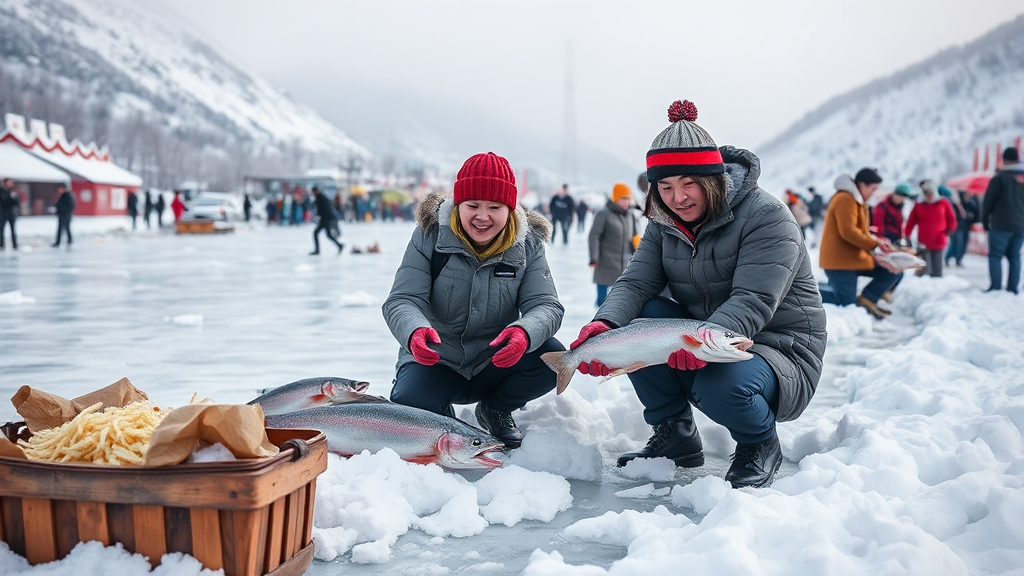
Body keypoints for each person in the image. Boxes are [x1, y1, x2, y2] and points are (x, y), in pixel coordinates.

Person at [570, 100, 826, 489]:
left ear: (714, 179)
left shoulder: (768, 217)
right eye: (666, 187)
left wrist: (699, 343)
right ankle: (675, 434)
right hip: (703, 336)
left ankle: (760, 443)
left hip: (778, 347)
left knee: (718, 383)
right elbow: (636, 283)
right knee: (644, 320)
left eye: (689, 183)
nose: (678, 198)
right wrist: (604, 326)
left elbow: (753, 300)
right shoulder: (663, 221)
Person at [382, 151, 565, 449]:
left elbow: (546, 305)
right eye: (472, 205)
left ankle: (495, 408)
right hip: (438, 359)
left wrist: (523, 333)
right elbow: (402, 299)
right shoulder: (430, 237)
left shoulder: (528, 244)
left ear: (509, 208)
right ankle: (440, 416)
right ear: (458, 205)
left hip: (493, 362)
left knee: (554, 360)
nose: (483, 216)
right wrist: (414, 331)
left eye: (495, 206)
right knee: (409, 406)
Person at [818, 168, 901, 319]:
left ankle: (867, 300)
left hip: (854, 258)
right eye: (873, 189)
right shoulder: (845, 198)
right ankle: (803, 293)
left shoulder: (857, 201)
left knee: (892, 269)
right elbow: (848, 231)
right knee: (846, 304)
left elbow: (862, 232)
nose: (874, 193)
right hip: (840, 262)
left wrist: (878, 242)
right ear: (862, 185)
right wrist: (874, 245)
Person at [981, 146, 1024, 294]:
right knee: (1015, 256)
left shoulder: (999, 178)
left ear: (1004, 160)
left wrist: (985, 220)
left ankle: (995, 287)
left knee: (995, 256)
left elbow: (988, 202)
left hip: (1000, 224)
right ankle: (1012, 289)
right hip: (1020, 226)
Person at [588, 182, 639, 306]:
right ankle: (598, 317)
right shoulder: (603, 214)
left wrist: (638, 254)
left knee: (619, 297)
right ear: (616, 198)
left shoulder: (630, 216)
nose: (627, 201)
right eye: (624, 198)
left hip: (624, 262)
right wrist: (594, 257)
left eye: (629, 198)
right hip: (605, 260)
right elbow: (594, 236)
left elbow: (634, 236)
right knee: (602, 298)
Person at [871, 182, 915, 303]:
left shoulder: (900, 207)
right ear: (894, 194)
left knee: (898, 270)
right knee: (892, 270)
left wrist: (904, 241)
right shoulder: (882, 206)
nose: (901, 199)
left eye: (904, 197)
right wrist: (885, 242)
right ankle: (874, 295)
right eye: (900, 196)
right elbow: (877, 227)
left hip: (895, 242)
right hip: (885, 242)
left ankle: (884, 293)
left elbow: (901, 226)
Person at [905, 180, 957, 278]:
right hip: (923, 240)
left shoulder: (943, 203)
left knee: (937, 267)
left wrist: (949, 231)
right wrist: (907, 235)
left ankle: (936, 285)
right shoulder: (919, 205)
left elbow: (952, 219)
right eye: (927, 194)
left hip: (939, 238)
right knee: (923, 267)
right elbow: (911, 222)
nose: (930, 197)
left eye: (931, 194)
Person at [946, 187, 979, 267]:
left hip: (966, 227)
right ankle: (948, 258)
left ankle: (958, 259)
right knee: (956, 244)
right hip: (957, 227)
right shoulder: (955, 204)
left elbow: (976, 212)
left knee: (962, 244)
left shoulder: (970, 203)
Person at [309, 186, 344, 255]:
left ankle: (317, 250)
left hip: (326, 219)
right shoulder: (320, 197)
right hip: (326, 219)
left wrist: (319, 216)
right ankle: (339, 245)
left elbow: (325, 210)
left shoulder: (321, 198)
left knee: (316, 233)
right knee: (327, 235)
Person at [1, 178, 19, 250]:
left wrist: (14, 198)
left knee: (13, 230)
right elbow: (3, 200)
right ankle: (1, 245)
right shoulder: (2, 191)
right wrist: (9, 196)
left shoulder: (13, 192)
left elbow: (16, 203)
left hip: (11, 213)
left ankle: (15, 245)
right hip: (3, 213)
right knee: (1, 230)